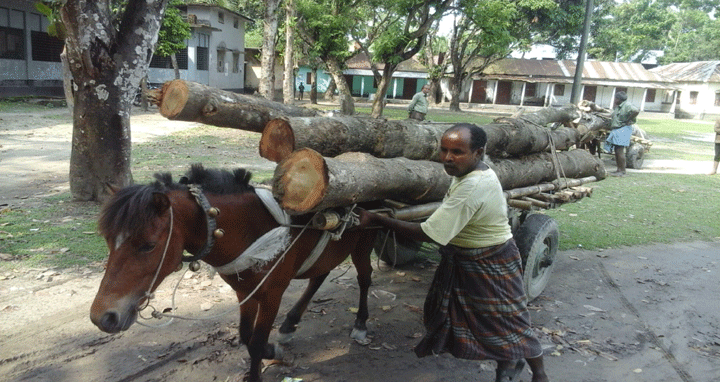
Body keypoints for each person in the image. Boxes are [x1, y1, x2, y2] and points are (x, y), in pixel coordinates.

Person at [355, 123, 549, 382]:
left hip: (490, 259)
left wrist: (378, 219)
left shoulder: (473, 186)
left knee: (510, 322)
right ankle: (507, 364)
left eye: (457, 151)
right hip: (468, 257)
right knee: (493, 321)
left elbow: (427, 233)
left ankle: (540, 375)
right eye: (444, 150)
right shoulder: (472, 173)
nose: (447, 157)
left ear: (478, 152)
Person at [604, 91, 639, 176]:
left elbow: (636, 111)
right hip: (617, 129)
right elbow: (612, 115)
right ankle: (619, 169)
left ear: (619, 99)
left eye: (615, 98)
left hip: (623, 129)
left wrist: (628, 119)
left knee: (619, 150)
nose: (614, 100)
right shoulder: (618, 107)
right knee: (617, 150)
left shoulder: (626, 105)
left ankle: (622, 171)